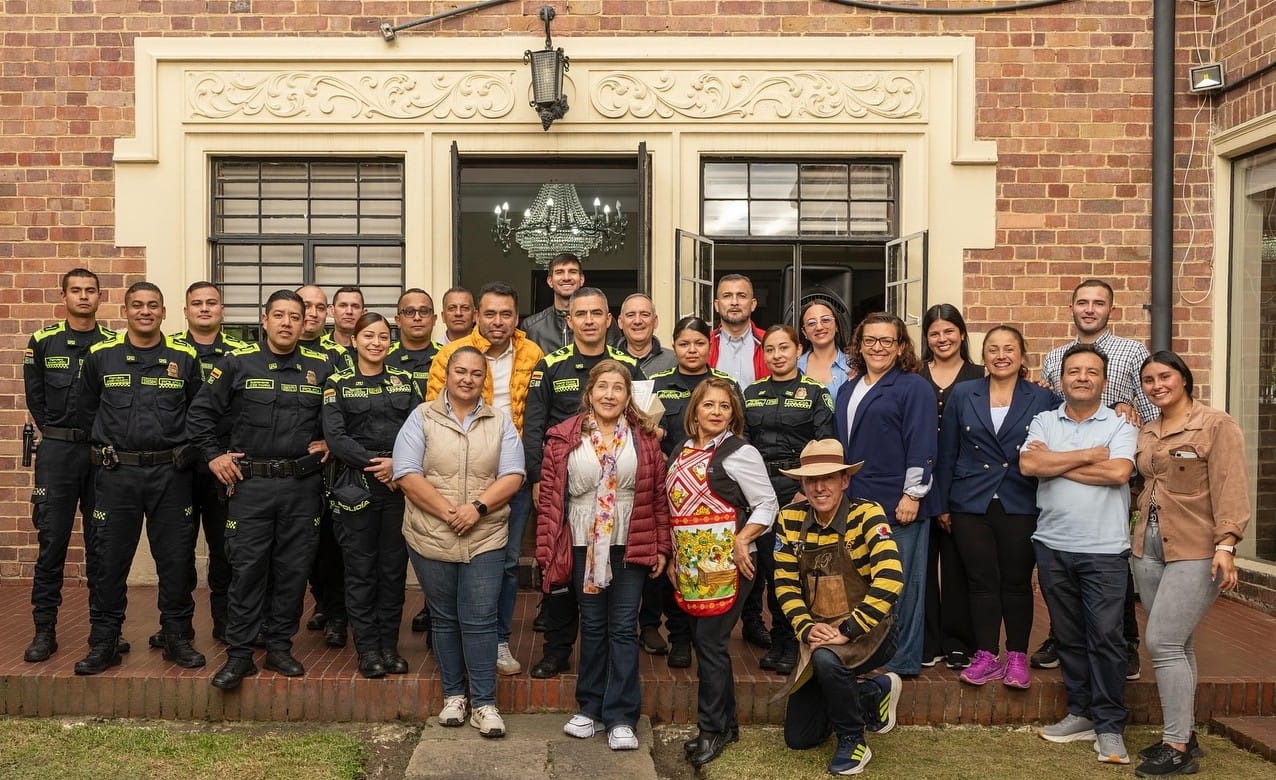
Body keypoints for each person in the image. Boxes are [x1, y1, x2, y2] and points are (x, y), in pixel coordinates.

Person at [187, 289, 334, 690]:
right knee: (248, 568)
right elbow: (200, 414)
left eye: (294, 316)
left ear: (305, 323)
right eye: (279, 315)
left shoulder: (322, 367)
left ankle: (279, 647)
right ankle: (239, 655)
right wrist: (215, 456)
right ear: (264, 320)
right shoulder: (237, 363)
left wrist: (330, 440)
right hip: (250, 485)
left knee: (292, 569)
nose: (287, 323)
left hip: (301, 486)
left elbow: (340, 417)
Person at [537, 361, 671, 752]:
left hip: (630, 539)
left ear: (628, 397)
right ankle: (590, 708)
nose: (609, 394)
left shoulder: (645, 439)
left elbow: (658, 496)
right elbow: (549, 500)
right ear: (589, 392)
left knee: (623, 626)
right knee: (592, 625)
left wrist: (661, 545)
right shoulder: (563, 438)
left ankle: (621, 716)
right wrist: (548, 549)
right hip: (582, 540)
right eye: (602, 387)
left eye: (618, 388)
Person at [74, 282, 205, 675]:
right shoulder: (101, 356)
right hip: (117, 474)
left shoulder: (185, 357)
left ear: (164, 312)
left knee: (176, 559)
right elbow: (85, 412)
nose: (145, 312)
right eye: (137, 305)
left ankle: (176, 636)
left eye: (153, 306)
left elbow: (200, 413)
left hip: (171, 474)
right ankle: (105, 640)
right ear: (125, 311)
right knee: (110, 560)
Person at [394, 346, 525, 738]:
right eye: (460, 372)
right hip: (431, 534)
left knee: (480, 618)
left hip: (484, 534)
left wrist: (477, 508)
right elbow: (406, 472)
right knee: (445, 617)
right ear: (446, 375)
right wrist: (451, 512)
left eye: (476, 373)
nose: (467, 379)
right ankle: (454, 697)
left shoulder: (500, 421)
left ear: (485, 379)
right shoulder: (421, 417)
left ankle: (484, 703)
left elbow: (514, 473)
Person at [1130, 351, 1249, 778]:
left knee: (1162, 642)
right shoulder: (1147, 430)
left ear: (1183, 378)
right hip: (1148, 548)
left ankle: (1175, 745)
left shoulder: (1216, 424)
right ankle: (1187, 734)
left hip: (1197, 549)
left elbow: (1231, 486)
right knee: (1179, 644)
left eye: (1165, 376)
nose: (1156, 384)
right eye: (1148, 379)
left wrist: (1227, 544)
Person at [1020, 343, 1138, 765]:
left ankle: (1109, 726)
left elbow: (1120, 472)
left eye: (1091, 371)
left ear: (1103, 381)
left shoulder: (1120, 424)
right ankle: (1081, 712)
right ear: (1061, 379)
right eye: (1074, 371)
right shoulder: (1043, 419)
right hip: (1052, 544)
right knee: (1069, 636)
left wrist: (1058, 461)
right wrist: (1089, 456)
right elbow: (1030, 467)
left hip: (1105, 551)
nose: (1082, 377)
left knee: (1106, 638)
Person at [522, 287, 644, 679]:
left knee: (612, 585)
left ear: (609, 321)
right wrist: (538, 476)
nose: (589, 320)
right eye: (581, 314)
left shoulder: (630, 365)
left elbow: (643, 425)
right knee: (562, 571)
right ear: (568, 321)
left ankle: (608, 660)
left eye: (597, 313)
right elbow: (534, 426)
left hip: (615, 492)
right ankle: (556, 651)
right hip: (565, 488)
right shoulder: (549, 365)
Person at [1035, 279, 1151, 676]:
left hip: (1118, 456)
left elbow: (1149, 405)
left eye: (1098, 303)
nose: (1089, 309)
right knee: (1065, 563)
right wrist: (1068, 459)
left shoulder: (1133, 351)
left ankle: (1125, 642)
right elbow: (1052, 415)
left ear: (1111, 310)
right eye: (1082, 302)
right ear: (1071, 308)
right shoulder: (1054, 358)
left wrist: (1129, 409)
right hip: (1073, 462)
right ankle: (1060, 636)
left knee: (1109, 558)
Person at [429, 281, 544, 676]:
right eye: (490, 313)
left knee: (507, 562)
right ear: (477, 315)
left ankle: (496, 640)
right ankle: (455, 636)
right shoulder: (451, 355)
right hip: (459, 472)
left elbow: (537, 417)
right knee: (452, 556)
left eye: (506, 314)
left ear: (517, 318)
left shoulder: (533, 353)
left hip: (513, 475)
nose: (498, 321)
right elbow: (433, 412)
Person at [934, 325, 1056, 689]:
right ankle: (986, 654)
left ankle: (1017, 655)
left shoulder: (1042, 398)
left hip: (1021, 499)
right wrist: (942, 503)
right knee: (981, 582)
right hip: (970, 501)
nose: (1001, 355)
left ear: (1022, 356)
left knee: (1017, 583)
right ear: (983, 356)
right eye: (993, 349)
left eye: (1009, 349)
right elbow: (946, 453)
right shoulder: (963, 393)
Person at [773, 439, 904, 777]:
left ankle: (853, 741)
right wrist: (806, 628)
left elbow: (890, 579)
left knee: (826, 658)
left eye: (829, 477)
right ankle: (873, 692)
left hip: (872, 630)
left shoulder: (868, 513)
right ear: (802, 483)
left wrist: (847, 630)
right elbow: (785, 584)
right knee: (799, 738)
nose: (819, 487)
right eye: (811, 480)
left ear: (844, 480)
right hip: (819, 632)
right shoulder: (788, 518)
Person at [667, 377, 778, 768]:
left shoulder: (739, 453)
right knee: (705, 641)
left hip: (727, 564)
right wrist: (673, 558)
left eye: (725, 407)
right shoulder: (680, 450)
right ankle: (726, 724)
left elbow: (767, 503)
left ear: (734, 414)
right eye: (709, 405)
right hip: (692, 565)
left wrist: (742, 539)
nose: (716, 412)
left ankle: (711, 730)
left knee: (711, 642)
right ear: (694, 409)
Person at [834, 312, 938, 678]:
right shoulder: (849, 387)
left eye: (886, 341)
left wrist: (912, 495)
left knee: (901, 584)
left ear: (901, 347)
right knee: (867, 583)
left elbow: (922, 443)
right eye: (870, 340)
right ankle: (871, 654)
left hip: (898, 503)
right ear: (859, 346)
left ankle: (902, 660)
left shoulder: (914, 386)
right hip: (858, 501)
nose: (877, 347)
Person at [22, 268, 119, 663]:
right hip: (59, 454)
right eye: (76, 291)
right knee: (52, 544)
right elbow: (37, 400)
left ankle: (104, 632)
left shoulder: (113, 343)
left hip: (100, 455)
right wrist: (61, 435)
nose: (83, 297)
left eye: (90, 291)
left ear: (100, 297)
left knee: (104, 546)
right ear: (63, 296)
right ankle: (44, 631)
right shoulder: (44, 342)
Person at [322, 312, 421, 678]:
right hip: (356, 487)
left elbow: (418, 427)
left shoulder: (404, 380)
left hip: (399, 486)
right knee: (361, 571)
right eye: (368, 336)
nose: (376, 342)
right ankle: (367, 650)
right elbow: (336, 437)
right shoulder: (338, 383)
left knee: (393, 571)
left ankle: (389, 647)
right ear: (355, 340)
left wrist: (399, 463)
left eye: (382, 336)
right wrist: (379, 464)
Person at [152, 281, 248, 649]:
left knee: (227, 549)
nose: (204, 309)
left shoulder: (240, 353)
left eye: (212, 303)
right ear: (185, 310)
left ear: (222, 309)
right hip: (179, 465)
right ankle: (175, 625)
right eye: (197, 303)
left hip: (226, 462)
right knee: (176, 550)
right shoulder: (168, 349)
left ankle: (226, 622)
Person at [643, 315, 740, 667]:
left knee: (711, 566)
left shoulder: (725, 384)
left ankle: (708, 636)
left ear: (709, 346)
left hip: (714, 488)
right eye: (684, 343)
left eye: (699, 343)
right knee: (675, 564)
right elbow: (646, 434)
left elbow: (740, 434)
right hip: (672, 487)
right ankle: (680, 637)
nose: (692, 349)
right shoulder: (657, 383)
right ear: (674, 346)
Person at [742, 324, 835, 676]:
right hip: (759, 488)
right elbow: (742, 444)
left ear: (799, 350)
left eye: (785, 348)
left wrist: (806, 488)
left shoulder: (815, 393)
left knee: (792, 566)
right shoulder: (750, 393)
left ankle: (791, 639)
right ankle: (774, 635)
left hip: (798, 487)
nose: (777, 355)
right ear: (763, 355)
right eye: (770, 349)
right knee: (767, 563)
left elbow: (826, 445)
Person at [918, 303, 983, 671]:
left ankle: (959, 641)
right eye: (934, 333)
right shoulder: (913, 374)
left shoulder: (980, 375)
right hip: (919, 485)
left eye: (948, 331)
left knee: (958, 568)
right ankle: (927, 640)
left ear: (961, 333)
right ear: (926, 338)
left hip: (964, 484)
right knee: (922, 568)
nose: (942, 339)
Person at [295, 283, 352, 646]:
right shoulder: (272, 351)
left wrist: (332, 440)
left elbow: (348, 404)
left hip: (327, 466)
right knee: (304, 547)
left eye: (319, 307)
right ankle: (319, 602)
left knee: (331, 544)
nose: (312, 313)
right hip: (284, 466)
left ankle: (336, 614)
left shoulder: (338, 356)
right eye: (305, 306)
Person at [388, 287, 441, 638]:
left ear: (435, 319)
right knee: (393, 556)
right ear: (398, 319)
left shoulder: (448, 357)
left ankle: (433, 612)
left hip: (438, 468)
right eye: (410, 312)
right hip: (389, 472)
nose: (418, 317)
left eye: (424, 311)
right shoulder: (381, 356)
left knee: (435, 547)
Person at [708, 274, 769, 387]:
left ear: (753, 304)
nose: (734, 302)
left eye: (741, 296)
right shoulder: (705, 344)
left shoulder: (769, 342)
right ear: (716, 305)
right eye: (727, 296)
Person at [521, 253, 585, 353]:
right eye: (559, 272)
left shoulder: (599, 322)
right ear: (550, 281)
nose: (566, 278)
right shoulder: (531, 326)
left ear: (581, 280)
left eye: (572, 272)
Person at [796, 297, 852, 400]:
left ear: (836, 326)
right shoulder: (795, 367)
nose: (819, 327)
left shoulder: (854, 365)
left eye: (825, 320)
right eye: (811, 323)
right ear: (804, 332)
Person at [615, 293, 676, 375]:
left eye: (644, 315)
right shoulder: (608, 360)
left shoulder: (675, 361)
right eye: (631, 315)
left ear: (655, 321)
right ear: (620, 322)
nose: (637, 321)